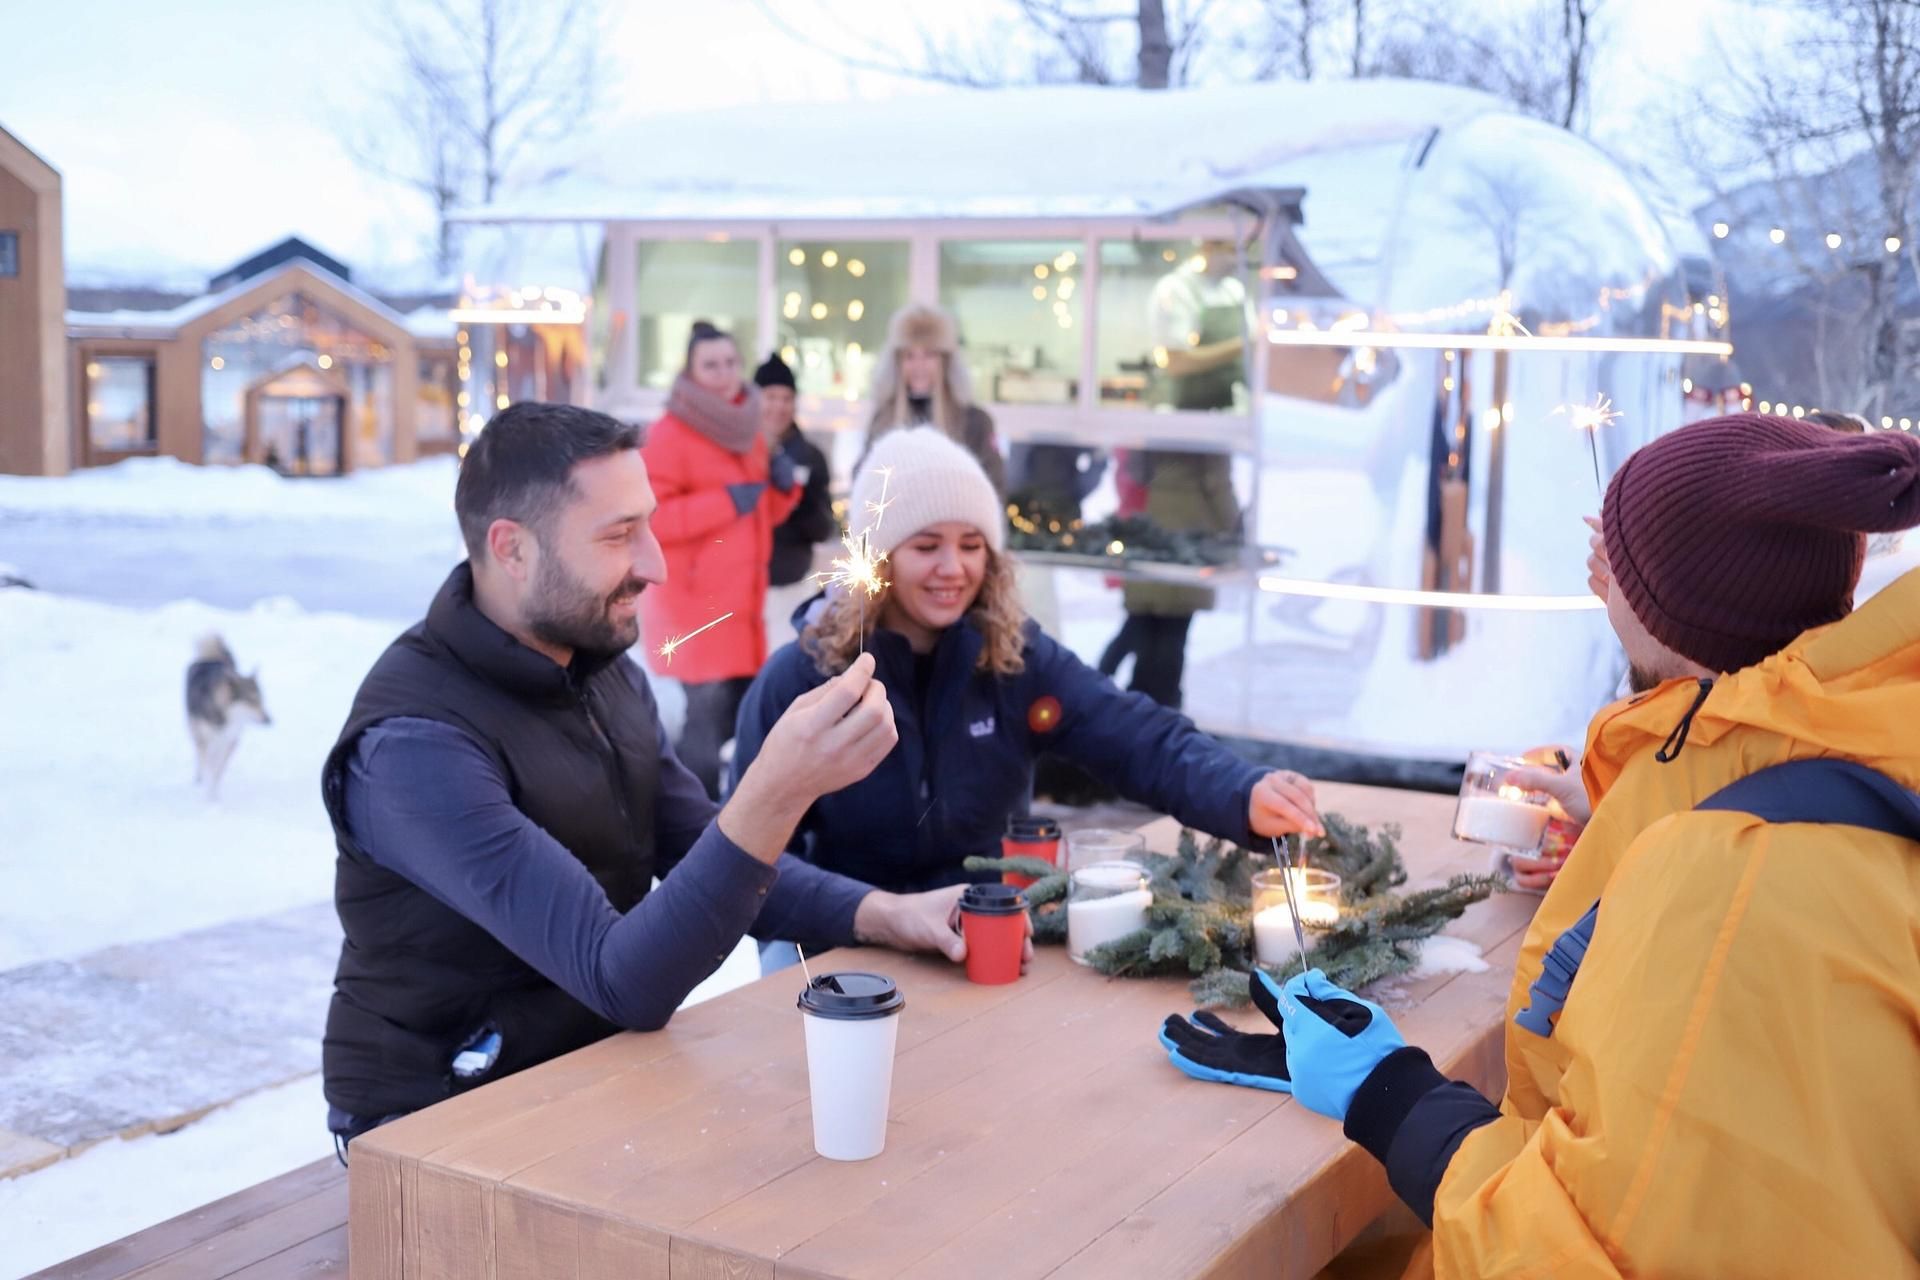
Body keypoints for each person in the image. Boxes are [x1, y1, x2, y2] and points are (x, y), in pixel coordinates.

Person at [1160, 413, 1920, 1277]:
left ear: (1676, 606)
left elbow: (1577, 1254)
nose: (1602, 573)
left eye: (1624, 557)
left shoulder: (1736, 889)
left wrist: (1388, 1092)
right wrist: (1622, 812)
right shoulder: (1843, 743)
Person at [319, 402, 995, 1154]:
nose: (656, 563)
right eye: (618, 535)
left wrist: (888, 913)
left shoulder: (598, 673)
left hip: (591, 1074)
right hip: (435, 1127)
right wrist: (778, 788)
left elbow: (702, 847)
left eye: (649, 523)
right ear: (511, 549)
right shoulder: (414, 748)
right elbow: (624, 980)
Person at [731, 427, 1326, 918]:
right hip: (842, 951)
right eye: (926, 545)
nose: (952, 568)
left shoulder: (1013, 657)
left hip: (986, 927)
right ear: (878, 559)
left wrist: (1241, 791)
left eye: (971, 545)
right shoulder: (805, 681)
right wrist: (871, 915)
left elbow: (1136, 737)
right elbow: (743, 861)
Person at [639, 321, 797, 799]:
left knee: (741, 722)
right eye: (711, 364)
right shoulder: (669, 433)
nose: (724, 373)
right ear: (690, 369)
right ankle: (692, 831)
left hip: (738, 605)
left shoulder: (746, 429)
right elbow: (652, 515)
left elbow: (758, 512)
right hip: (693, 606)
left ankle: (734, 822)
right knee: (705, 728)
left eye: (730, 362)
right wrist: (726, 501)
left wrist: (784, 488)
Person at [862, 303, 1006, 494]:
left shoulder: (975, 422)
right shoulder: (883, 419)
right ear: (897, 362)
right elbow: (864, 481)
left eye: (929, 355)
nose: (918, 365)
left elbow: (993, 487)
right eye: (909, 356)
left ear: (945, 361)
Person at [755, 352, 835, 646]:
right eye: (771, 396)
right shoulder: (737, 454)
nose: (779, 406)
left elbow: (824, 528)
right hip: (739, 587)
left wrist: (795, 498)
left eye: (786, 398)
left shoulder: (809, 457)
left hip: (790, 585)